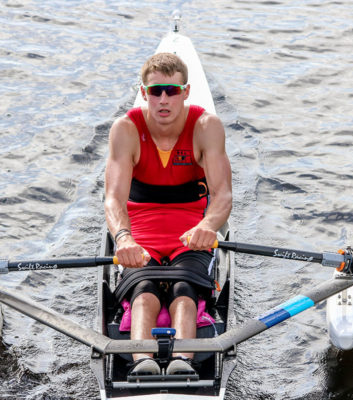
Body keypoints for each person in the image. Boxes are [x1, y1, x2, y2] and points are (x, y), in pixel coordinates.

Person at [104, 52, 232, 376]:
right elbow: (113, 199)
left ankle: (182, 365)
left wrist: (209, 225)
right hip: (140, 238)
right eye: (156, 91)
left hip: (190, 235)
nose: (163, 99)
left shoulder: (206, 127)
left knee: (184, 292)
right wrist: (122, 238)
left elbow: (223, 195)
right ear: (144, 92)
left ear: (186, 92)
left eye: (172, 91)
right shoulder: (125, 129)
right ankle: (142, 364)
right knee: (144, 292)